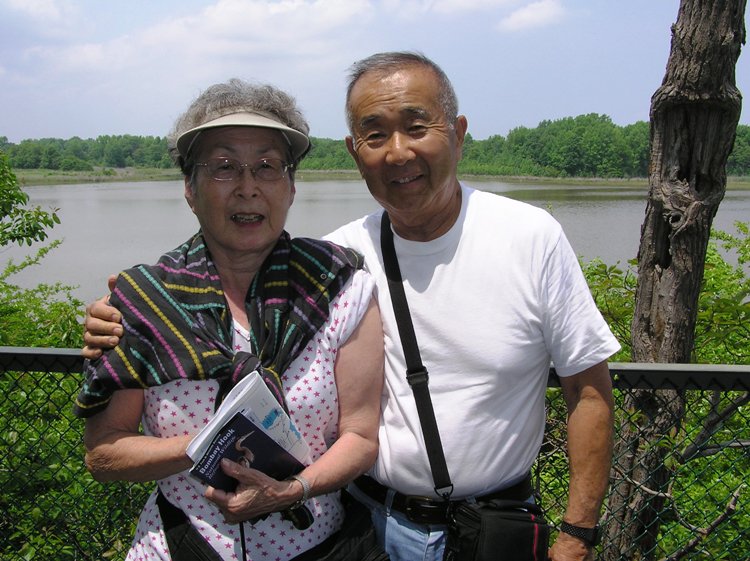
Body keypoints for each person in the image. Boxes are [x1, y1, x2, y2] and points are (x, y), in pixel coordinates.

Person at [83, 52, 620, 561]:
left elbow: (587, 386)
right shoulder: (337, 260)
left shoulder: (522, 238)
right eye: (375, 134)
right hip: (367, 521)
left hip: (488, 524)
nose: (398, 151)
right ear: (354, 151)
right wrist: (126, 306)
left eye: (417, 126)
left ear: (456, 134)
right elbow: (107, 448)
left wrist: (576, 534)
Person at [75, 78, 384, 561]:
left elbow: (361, 435)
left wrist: (292, 489)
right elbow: (105, 455)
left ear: (291, 186)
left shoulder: (339, 287)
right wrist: (210, 443)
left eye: (267, 167)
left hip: (317, 544)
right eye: (223, 168)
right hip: (180, 545)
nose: (247, 188)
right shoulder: (144, 302)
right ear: (189, 188)